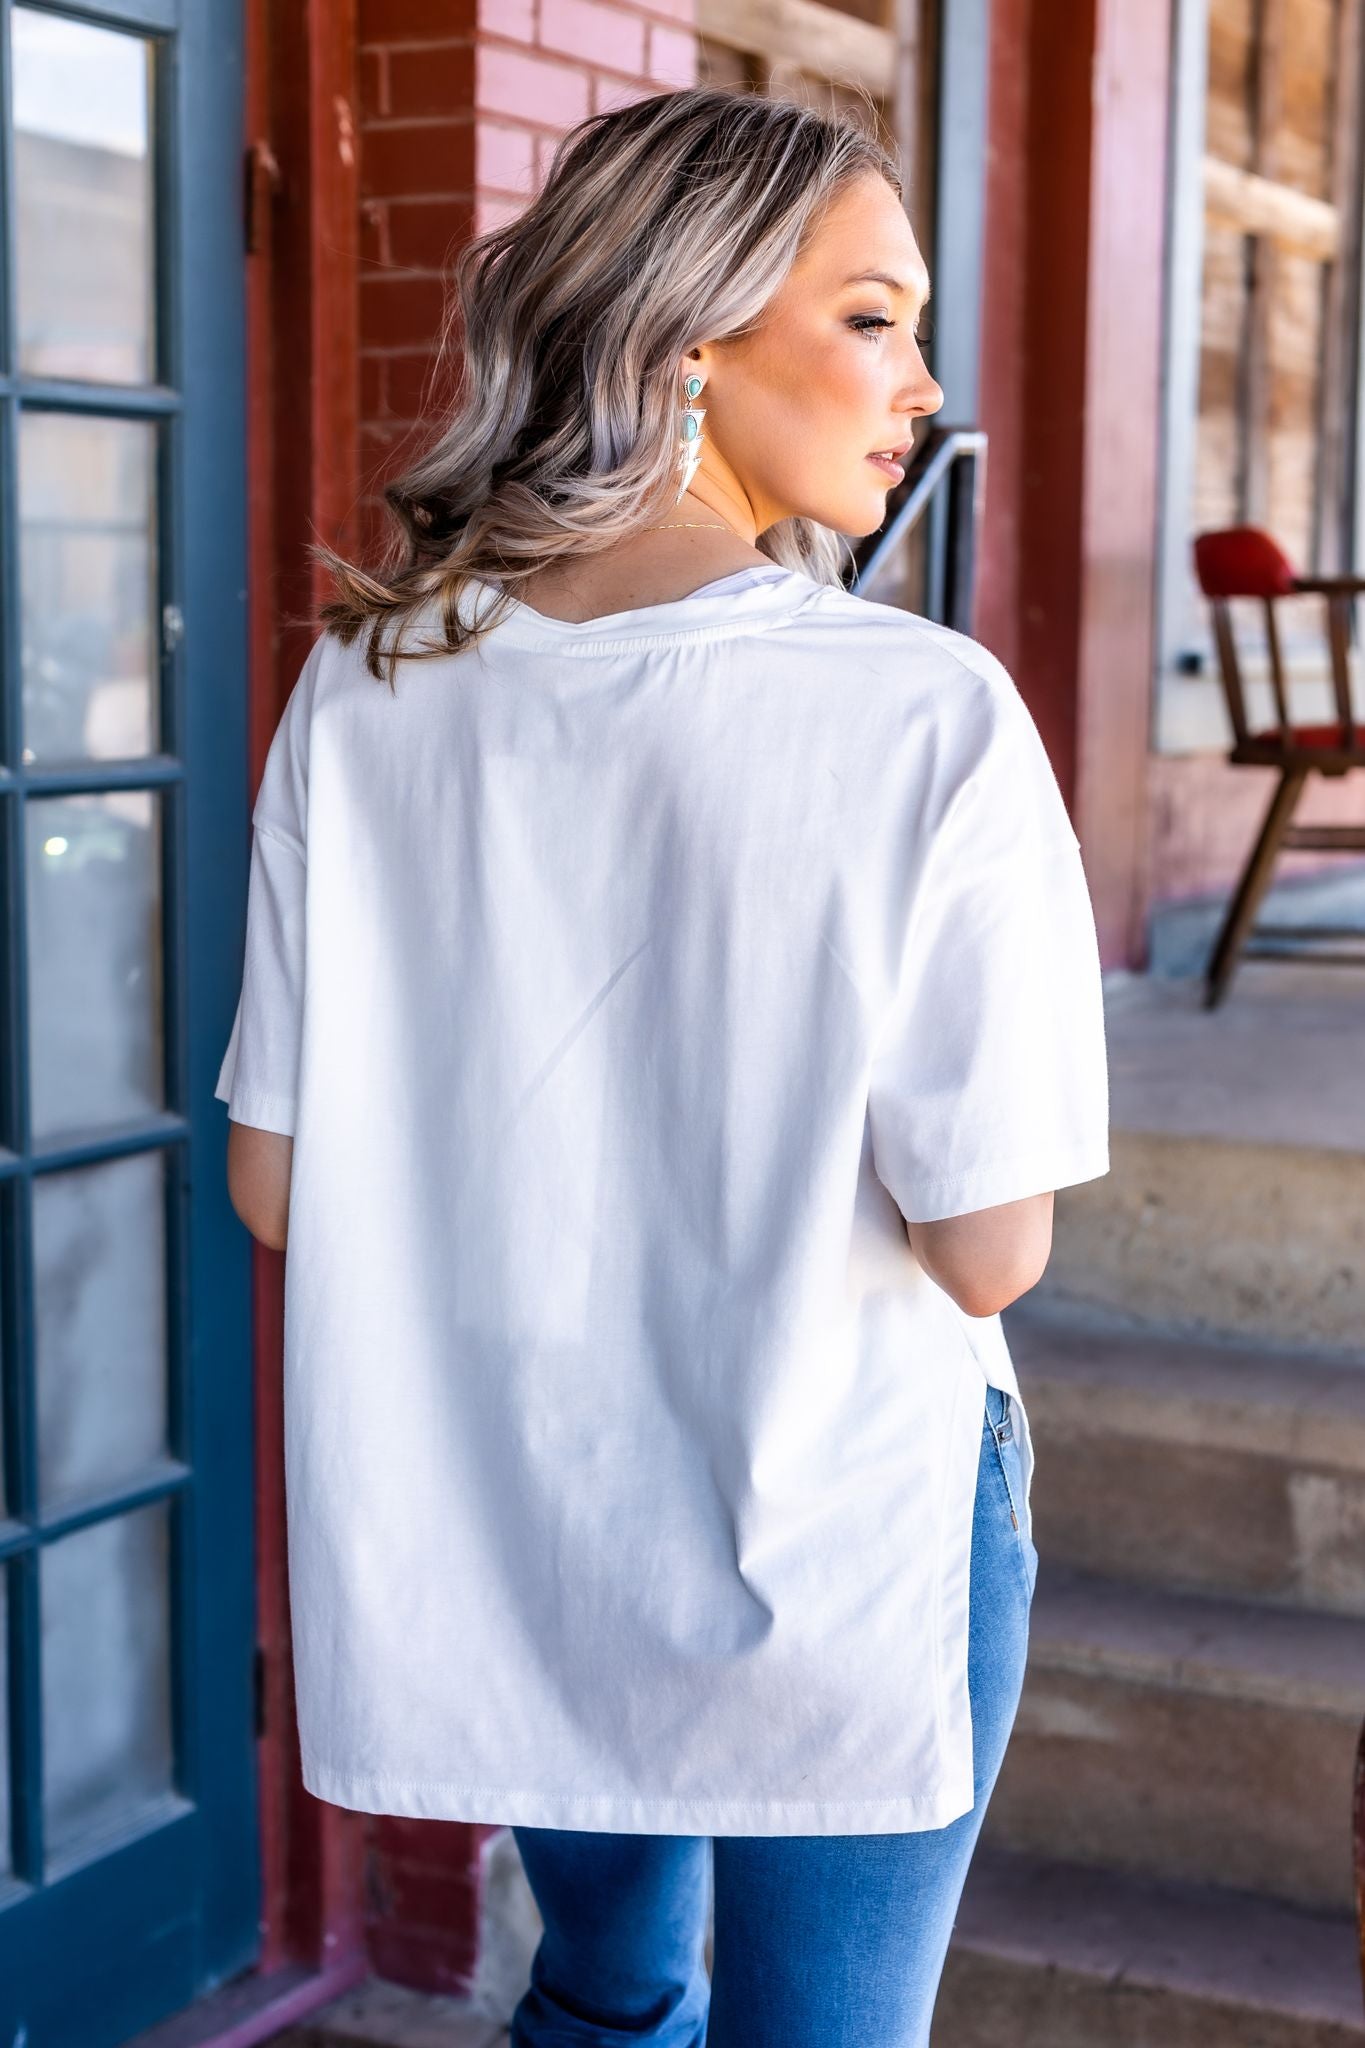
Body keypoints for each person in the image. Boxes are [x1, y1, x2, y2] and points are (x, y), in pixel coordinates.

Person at [215, 82, 1109, 2048]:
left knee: (607, 1998)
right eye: (871, 316)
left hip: (522, 1483)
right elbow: (986, 1252)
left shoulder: (367, 679)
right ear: (684, 335)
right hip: (841, 1506)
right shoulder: (923, 713)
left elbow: (275, 1185)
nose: (921, 383)